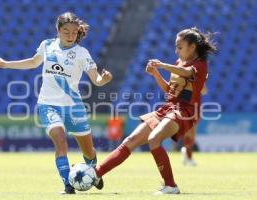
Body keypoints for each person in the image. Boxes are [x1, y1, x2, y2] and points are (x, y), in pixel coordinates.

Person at [0, 12, 112, 194]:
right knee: (60, 141)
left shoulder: (82, 53)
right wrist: (6, 64)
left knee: (88, 150)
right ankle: (68, 185)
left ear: (78, 32)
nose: (70, 36)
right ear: (58, 30)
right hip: (48, 105)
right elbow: (33, 62)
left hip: (74, 107)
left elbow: (96, 79)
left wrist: (104, 79)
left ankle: (94, 173)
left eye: (74, 32)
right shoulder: (47, 46)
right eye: (66, 31)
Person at [92, 27, 216, 195]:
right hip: (167, 108)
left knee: (154, 139)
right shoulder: (179, 63)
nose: (176, 50)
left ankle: (171, 186)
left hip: (184, 111)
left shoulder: (200, 65)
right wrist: (156, 74)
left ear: (192, 47)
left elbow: (187, 73)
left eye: (179, 47)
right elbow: (169, 91)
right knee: (131, 140)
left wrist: (164, 65)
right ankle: (95, 174)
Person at [181, 85, 207, 166]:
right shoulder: (186, 77)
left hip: (194, 107)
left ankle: (186, 152)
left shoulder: (197, 77)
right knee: (190, 133)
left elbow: (204, 91)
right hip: (188, 107)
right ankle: (188, 156)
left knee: (190, 133)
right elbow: (204, 91)